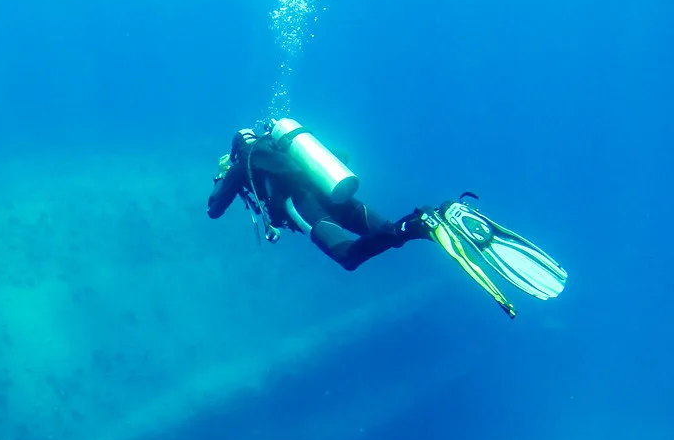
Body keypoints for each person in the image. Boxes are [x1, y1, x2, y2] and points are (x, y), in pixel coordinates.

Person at [207, 119, 568, 318]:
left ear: (236, 148)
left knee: (349, 255)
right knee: (386, 232)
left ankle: (418, 225)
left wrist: (224, 179)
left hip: (304, 207)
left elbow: (214, 209)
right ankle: (433, 219)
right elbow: (342, 155)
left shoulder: (245, 163)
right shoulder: (284, 146)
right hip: (336, 193)